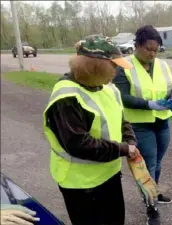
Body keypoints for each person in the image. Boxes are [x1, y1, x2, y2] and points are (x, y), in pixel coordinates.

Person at [42, 35, 140, 225]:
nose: (117, 70)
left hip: (109, 175)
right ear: (95, 66)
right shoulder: (67, 97)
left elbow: (120, 119)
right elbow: (79, 144)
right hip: (81, 184)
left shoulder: (108, 88)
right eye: (113, 65)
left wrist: (130, 141)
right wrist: (123, 149)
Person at [113, 25, 172, 210]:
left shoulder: (162, 65)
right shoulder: (123, 65)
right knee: (148, 163)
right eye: (148, 49)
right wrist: (149, 104)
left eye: (156, 50)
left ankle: (154, 192)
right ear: (137, 45)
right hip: (139, 125)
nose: (152, 54)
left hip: (162, 121)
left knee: (157, 161)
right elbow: (122, 96)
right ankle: (150, 205)